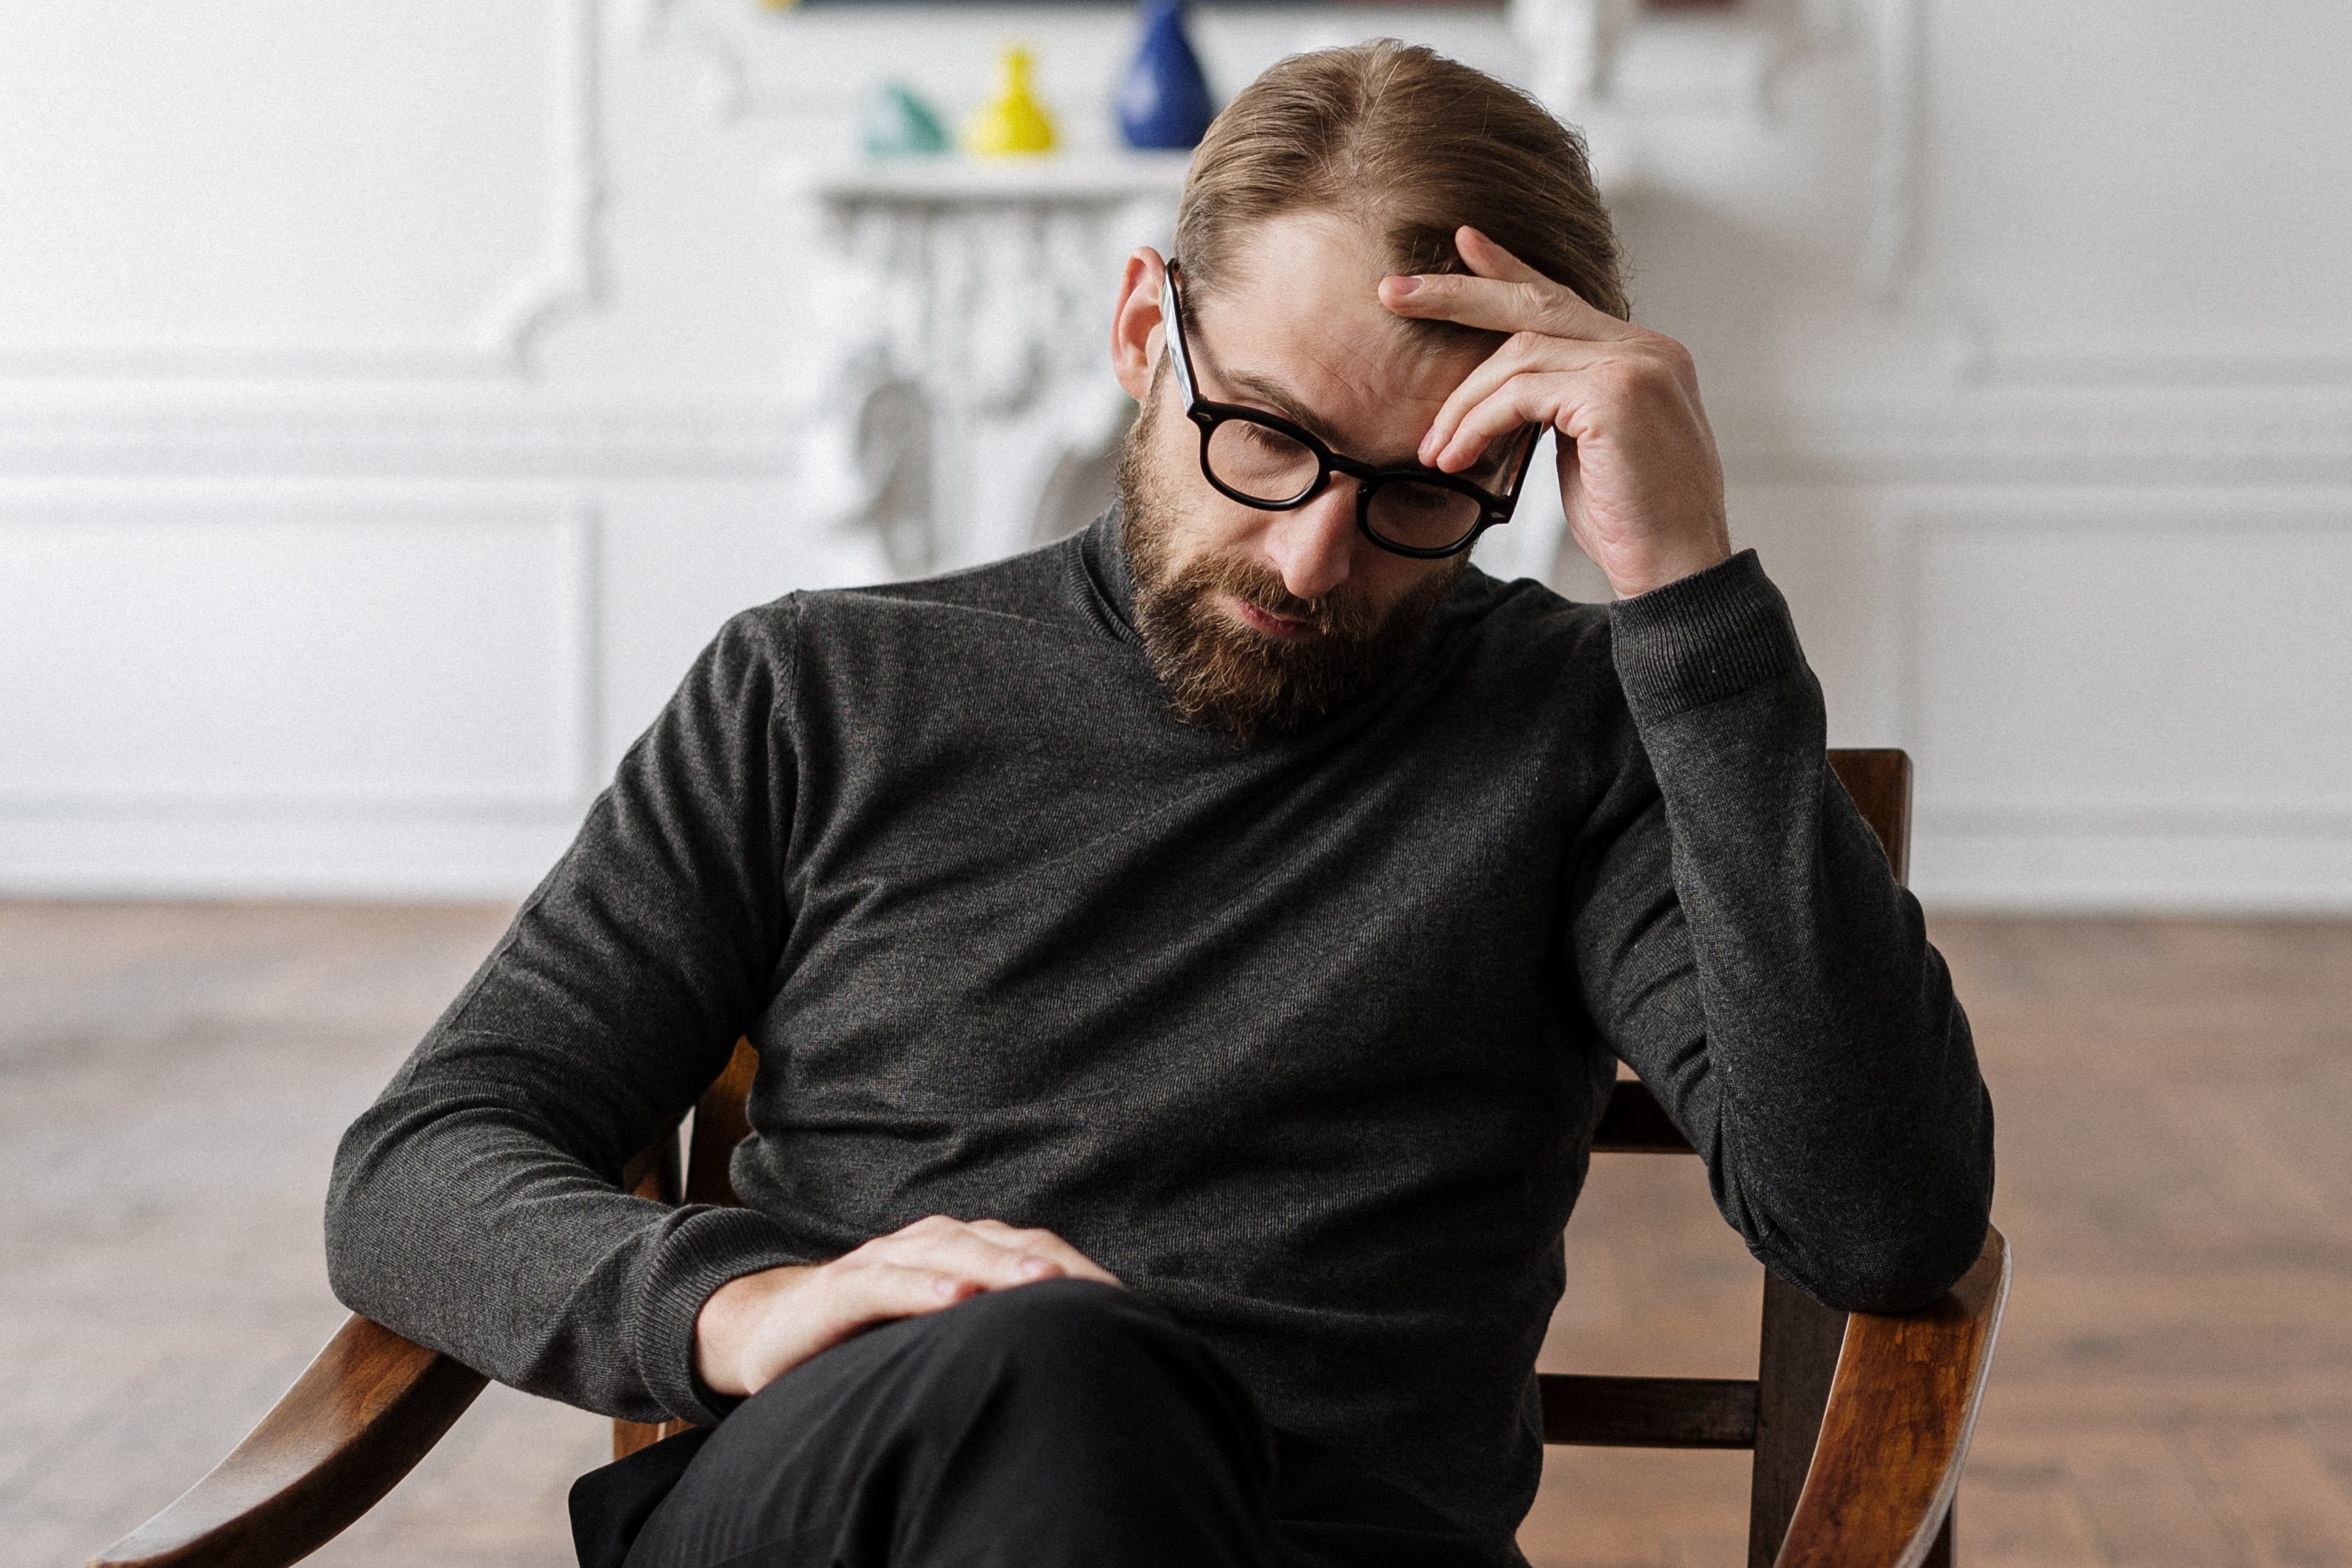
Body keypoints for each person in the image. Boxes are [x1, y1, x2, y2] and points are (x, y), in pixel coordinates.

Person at [325, 40, 1994, 1568]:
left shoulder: (1582, 732)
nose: (1313, 553)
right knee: (1057, 1375)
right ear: (1145, 333)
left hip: (1321, 1532)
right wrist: (739, 1306)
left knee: (1087, 1399)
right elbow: (418, 1164)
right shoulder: (818, 689)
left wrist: (1686, 594)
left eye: (1424, 493)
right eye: (1264, 437)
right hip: (861, 1492)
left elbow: (1878, 1217)